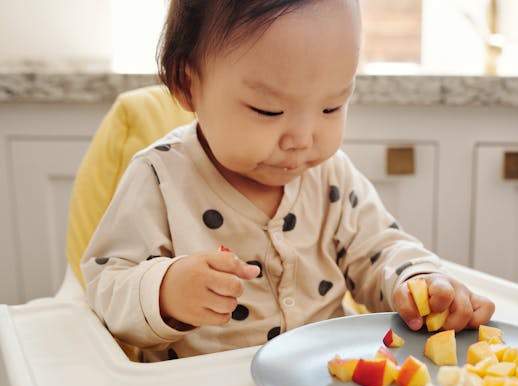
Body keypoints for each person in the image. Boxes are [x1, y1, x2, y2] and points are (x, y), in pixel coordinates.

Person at [81, 0, 495, 362]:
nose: (302, 139)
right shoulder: (159, 179)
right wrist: (165, 291)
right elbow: (106, 284)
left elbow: (381, 249)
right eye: (268, 110)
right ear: (188, 85)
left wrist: (416, 282)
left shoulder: (331, 175)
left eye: (332, 107)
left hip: (329, 384)